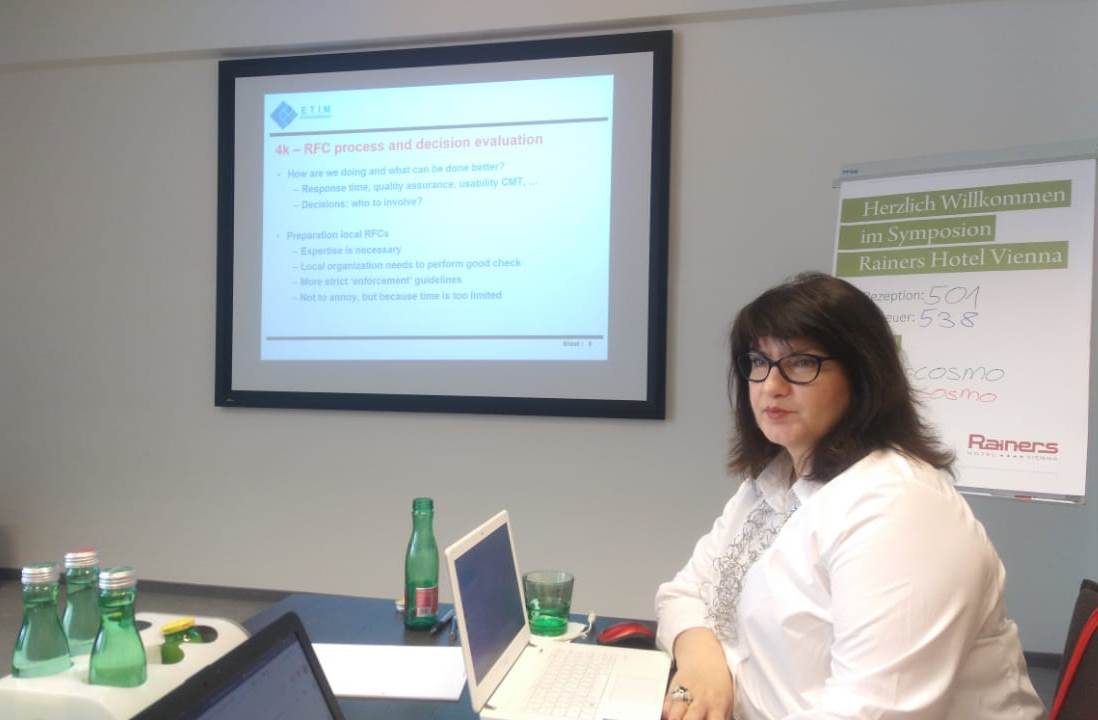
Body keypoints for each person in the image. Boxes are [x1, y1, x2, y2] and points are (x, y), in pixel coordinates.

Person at [655, 272, 1045, 720]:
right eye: (759, 361)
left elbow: (872, 711)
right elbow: (682, 593)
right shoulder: (774, 481)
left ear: (862, 376)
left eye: (801, 363)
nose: (771, 385)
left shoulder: (899, 507)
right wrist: (702, 662)